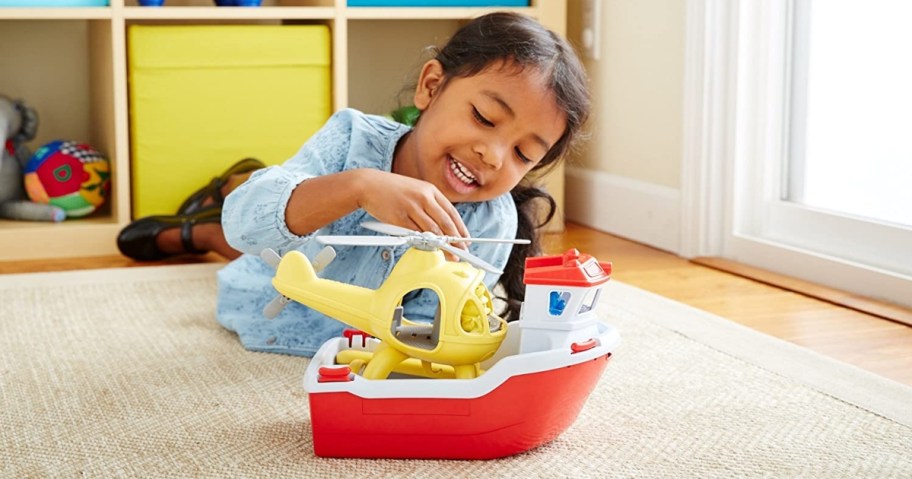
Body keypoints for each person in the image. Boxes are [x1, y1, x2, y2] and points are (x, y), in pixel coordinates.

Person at [117, 11, 591, 356]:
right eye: (484, 118)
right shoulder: (352, 141)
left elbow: (434, 337)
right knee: (255, 243)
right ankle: (203, 222)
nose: (493, 154)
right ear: (430, 87)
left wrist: (446, 285)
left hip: (353, 342)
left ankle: (195, 227)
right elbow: (247, 225)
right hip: (268, 290)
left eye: (524, 154)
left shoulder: (491, 223)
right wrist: (360, 187)